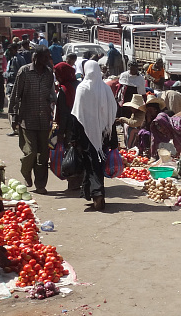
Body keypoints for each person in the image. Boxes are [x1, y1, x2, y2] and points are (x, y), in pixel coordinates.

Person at [69, 60, 117, 210]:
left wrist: (74, 138)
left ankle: (97, 194)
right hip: (103, 134)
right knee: (97, 164)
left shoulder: (82, 88)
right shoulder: (106, 89)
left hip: (86, 134)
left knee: (91, 165)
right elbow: (112, 114)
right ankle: (92, 192)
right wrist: (112, 137)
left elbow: (77, 115)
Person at [9, 45, 55, 194]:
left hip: (44, 120)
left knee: (43, 155)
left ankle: (40, 185)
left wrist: (53, 107)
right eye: (45, 57)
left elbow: (51, 94)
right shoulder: (24, 72)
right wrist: (14, 116)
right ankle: (26, 171)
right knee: (31, 152)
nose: (48, 60)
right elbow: (16, 95)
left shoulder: (49, 74)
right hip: (27, 119)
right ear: (37, 57)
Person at [53, 61, 83, 190]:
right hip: (83, 125)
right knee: (81, 153)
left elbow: (64, 113)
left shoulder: (64, 90)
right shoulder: (80, 86)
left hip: (71, 128)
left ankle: (73, 183)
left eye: (57, 74)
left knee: (71, 154)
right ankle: (81, 179)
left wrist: (61, 132)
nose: (57, 77)